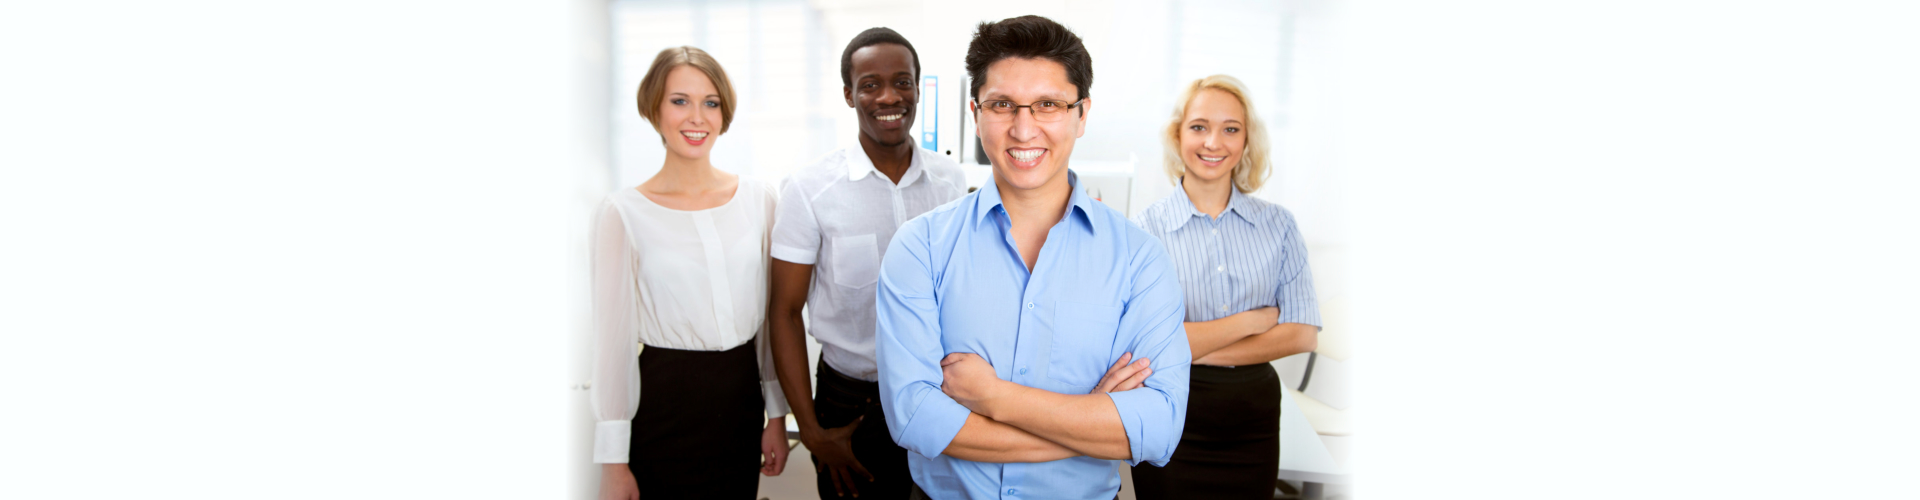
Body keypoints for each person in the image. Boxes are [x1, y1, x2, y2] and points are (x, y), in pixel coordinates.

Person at [873, 15, 1189, 500]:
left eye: (1048, 105)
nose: (1024, 129)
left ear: (1082, 115)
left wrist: (994, 398)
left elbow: (1158, 429)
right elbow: (916, 418)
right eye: (1002, 104)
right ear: (976, 114)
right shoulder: (920, 248)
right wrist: (1089, 422)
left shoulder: (1139, 259)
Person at [764, 27, 968, 500]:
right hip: (851, 401)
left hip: (939, 390)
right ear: (849, 94)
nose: (889, 96)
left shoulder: (950, 181)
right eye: (871, 84)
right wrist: (811, 432)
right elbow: (783, 312)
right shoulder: (810, 188)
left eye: (903, 81)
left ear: (918, 87)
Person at [589, 46, 790, 500]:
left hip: (740, 407)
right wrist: (614, 464)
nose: (696, 117)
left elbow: (769, 327)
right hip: (663, 409)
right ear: (654, 108)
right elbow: (613, 345)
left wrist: (775, 416)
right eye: (680, 100)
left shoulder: (760, 201)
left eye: (711, 102)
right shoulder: (622, 214)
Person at [1127, 74, 1322, 500]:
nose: (1213, 142)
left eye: (1230, 129)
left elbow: (1303, 332)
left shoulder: (1278, 226)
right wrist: (1253, 321)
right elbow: (1145, 345)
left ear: (1247, 140)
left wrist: (1190, 347)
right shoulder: (1144, 231)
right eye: (1199, 127)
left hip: (1251, 421)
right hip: (1171, 413)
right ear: (1177, 135)